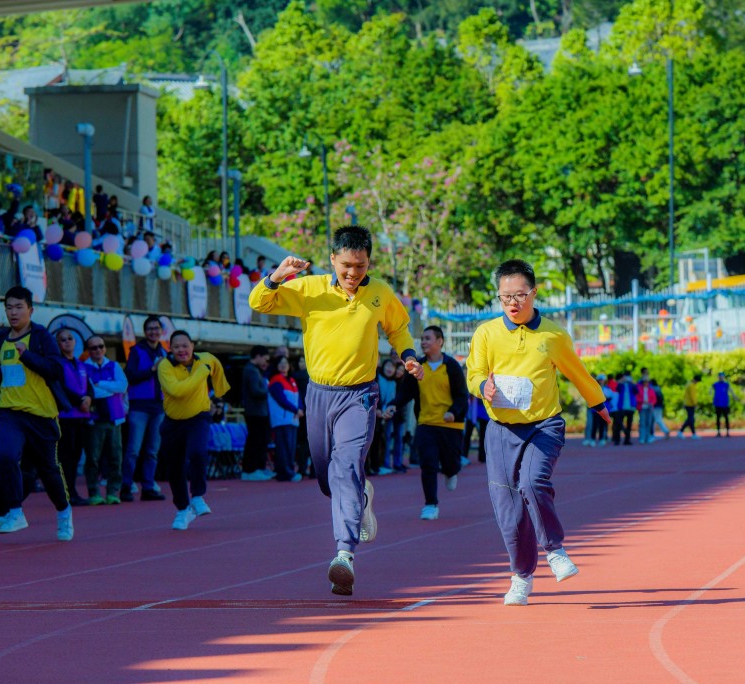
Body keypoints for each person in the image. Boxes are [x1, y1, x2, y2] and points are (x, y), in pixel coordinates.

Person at [249, 225, 424, 596]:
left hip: (360, 395)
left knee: (345, 466)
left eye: (360, 266)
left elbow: (399, 329)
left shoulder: (379, 293)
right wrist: (276, 277)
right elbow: (258, 303)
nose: (352, 273)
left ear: (368, 262)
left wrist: (408, 356)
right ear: (332, 259)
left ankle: (344, 554)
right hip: (318, 394)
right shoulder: (309, 288)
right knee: (329, 479)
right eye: (346, 265)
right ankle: (360, 499)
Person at [466, 260, 611, 607]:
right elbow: (473, 373)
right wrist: (480, 387)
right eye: (505, 297)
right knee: (509, 510)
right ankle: (521, 576)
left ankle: (556, 550)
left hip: (544, 425)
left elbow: (578, 374)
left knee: (533, 483)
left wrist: (599, 405)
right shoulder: (485, 334)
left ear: (534, 293)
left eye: (519, 295)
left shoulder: (553, 335)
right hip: (501, 430)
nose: (513, 303)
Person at [0, 286, 73, 540]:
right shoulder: (0, 338)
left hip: (41, 414)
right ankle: (15, 511)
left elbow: (55, 370)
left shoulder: (41, 336)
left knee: (49, 470)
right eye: (9, 307)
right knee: (6, 456)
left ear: (30, 309)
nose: (13, 312)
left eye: (19, 307)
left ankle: (63, 513)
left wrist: (27, 355)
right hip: (9, 411)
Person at [393, 325, 468, 521]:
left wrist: (453, 412)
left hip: (451, 425)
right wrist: (393, 406)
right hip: (426, 423)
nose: (423, 342)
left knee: (451, 464)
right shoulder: (418, 366)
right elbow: (405, 393)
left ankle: (451, 471)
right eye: (422, 339)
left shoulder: (451, 366)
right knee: (428, 463)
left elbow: (462, 396)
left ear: (440, 341)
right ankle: (430, 504)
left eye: (428, 338)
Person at [156, 330, 229, 530]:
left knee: (198, 452)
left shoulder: (206, 359)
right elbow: (177, 391)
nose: (181, 350)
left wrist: (218, 396)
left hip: (199, 417)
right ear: (170, 349)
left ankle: (197, 496)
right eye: (177, 346)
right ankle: (183, 509)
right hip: (173, 422)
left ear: (192, 346)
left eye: (185, 345)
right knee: (174, 467)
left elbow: (217, 368)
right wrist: (201, 373)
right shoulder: (164, 366)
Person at [121, 316, 168, 502]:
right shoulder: (136, 351)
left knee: (152, 450)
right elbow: (130, 376)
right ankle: (126, 485)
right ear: (145, 331)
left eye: (156, 328)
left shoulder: (164, 352)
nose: (153, 332)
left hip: (158, 406)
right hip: (139, 406)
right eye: (150, 329)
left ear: (161, 331)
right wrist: (152, 370)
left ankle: (148, 487)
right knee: (133, 449)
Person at [83, 335, 128, 505]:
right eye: (93, 347)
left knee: (115, 457)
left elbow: (122, 386)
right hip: (94, 419)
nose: (98, 350)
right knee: (93, 458)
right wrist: (110, 387)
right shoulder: (84, 367)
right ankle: (94, 492)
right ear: (88, 350)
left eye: (100, 346)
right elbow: (89, 391)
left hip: (115, 418)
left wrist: (99, 383)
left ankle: (112, 492)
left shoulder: (114, 365)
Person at [54, 328, 92, 507]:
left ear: (75, 342)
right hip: (66, 416)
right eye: (63, 339)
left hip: (82, 417)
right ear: (58, 344)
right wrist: (80, 400)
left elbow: (89, 387)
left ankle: (71, 490)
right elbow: (60, 387)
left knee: (76, 456)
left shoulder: (82, 364)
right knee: (66, 457)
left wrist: (89, 398)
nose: (67, 342)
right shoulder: (57, 365)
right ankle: (68, 492)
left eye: (70, 338)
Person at [240, 345, 274, 482]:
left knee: (260, 440)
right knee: (255, 441)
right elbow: (255, 391)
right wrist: (268, 390)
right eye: (265, 359)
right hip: (255, 412)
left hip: (258, 411)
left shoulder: (254, 370)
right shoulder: (251, 370)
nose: (266, 362)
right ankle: (250, 469)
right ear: (258, 356)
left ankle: (257, 468)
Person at [268, 355, 303, 482]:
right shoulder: (275, 380)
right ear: (276, 366)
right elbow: (281, 399)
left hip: (292, 419)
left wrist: (300, 408)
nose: (284, 365)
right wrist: (296, 410)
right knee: (283, 447)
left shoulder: (291, 380)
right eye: (281, 363)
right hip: (282, 419)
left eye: (286, 363)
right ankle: (286, 472)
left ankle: (287, 471)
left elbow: (297, 397)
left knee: (291, 447)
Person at [611, 372, 637, 446]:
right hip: (621, 407)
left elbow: (636, 391)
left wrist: (632, 382)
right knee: (619, 424)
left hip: (630, 408)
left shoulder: (631, 385)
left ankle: (627, 440)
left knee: (629, 424)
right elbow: (616, 389)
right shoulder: (621, 384)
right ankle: (617, 440)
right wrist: (621, 382)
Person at [713, 372, 736, 437]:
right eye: (720, 376)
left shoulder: (726, 385)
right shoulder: (715, 384)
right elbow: (711, 391)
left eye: (722, 376)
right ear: (718, 377)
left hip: (725, 404)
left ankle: (727, 432)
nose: (721, 378)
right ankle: (718, 432)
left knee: (726, 418)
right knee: (718, 418)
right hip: (717, 404)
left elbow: (731, 391)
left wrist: (735, 396)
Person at [678, 374, 701, 439]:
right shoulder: (691, 386)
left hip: (688, 404)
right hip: (690, 404)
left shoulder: (688, 384)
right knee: (690, 419)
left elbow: (685, 395)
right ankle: (682, 431)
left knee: (690, 419)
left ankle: (691, 433)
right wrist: (695, 404)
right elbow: (692, 396)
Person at [636, 377, 657, 444]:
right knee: (642, 423)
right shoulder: (640, 390)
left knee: (649, 423)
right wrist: (642, 401)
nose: (646, 383)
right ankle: (642, 438)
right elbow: (637, 398)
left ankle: (647, 437)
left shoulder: (651, 390)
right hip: (642, 407)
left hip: (649, 407)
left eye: (647, 382)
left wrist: (650, 402)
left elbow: (654, 399)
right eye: (645, 382)